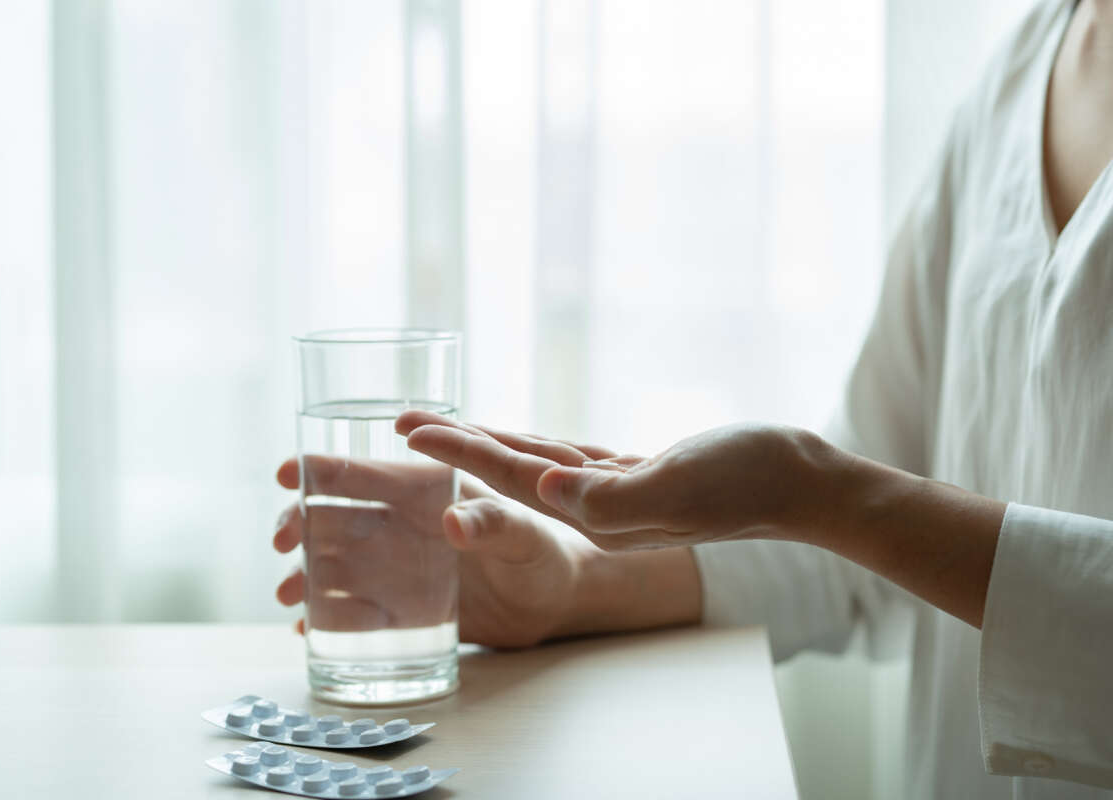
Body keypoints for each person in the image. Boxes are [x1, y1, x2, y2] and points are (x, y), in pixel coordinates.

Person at [272, 0, 1113, 795]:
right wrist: (569, 584)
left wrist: (822, 493)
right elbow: (870, 541)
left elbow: (859, 506)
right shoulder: (1020, 68)